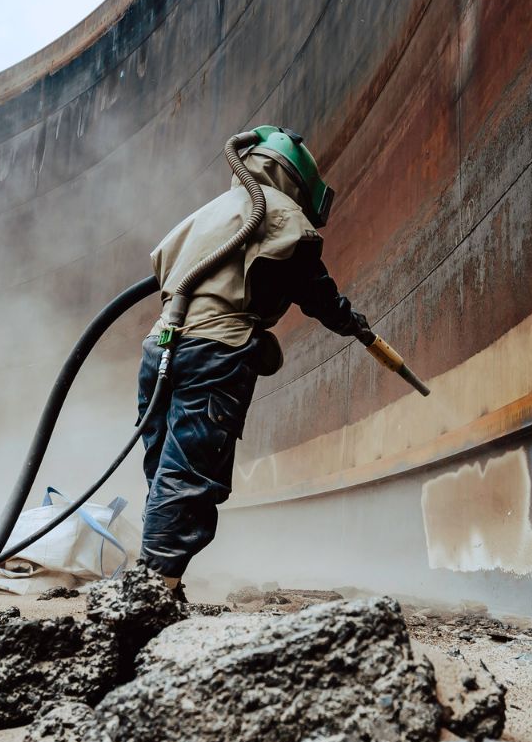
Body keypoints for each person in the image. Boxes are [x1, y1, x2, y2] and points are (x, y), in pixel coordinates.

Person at [136, 126, 369, 586]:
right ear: (297, 183)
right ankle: (154, 590)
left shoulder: (211, 214)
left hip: (160, 348)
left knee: (164, 467)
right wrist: (350, 322)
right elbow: (315, 290)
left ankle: (158, 582)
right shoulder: (281, 215)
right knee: (188, 474)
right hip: (213, 353)